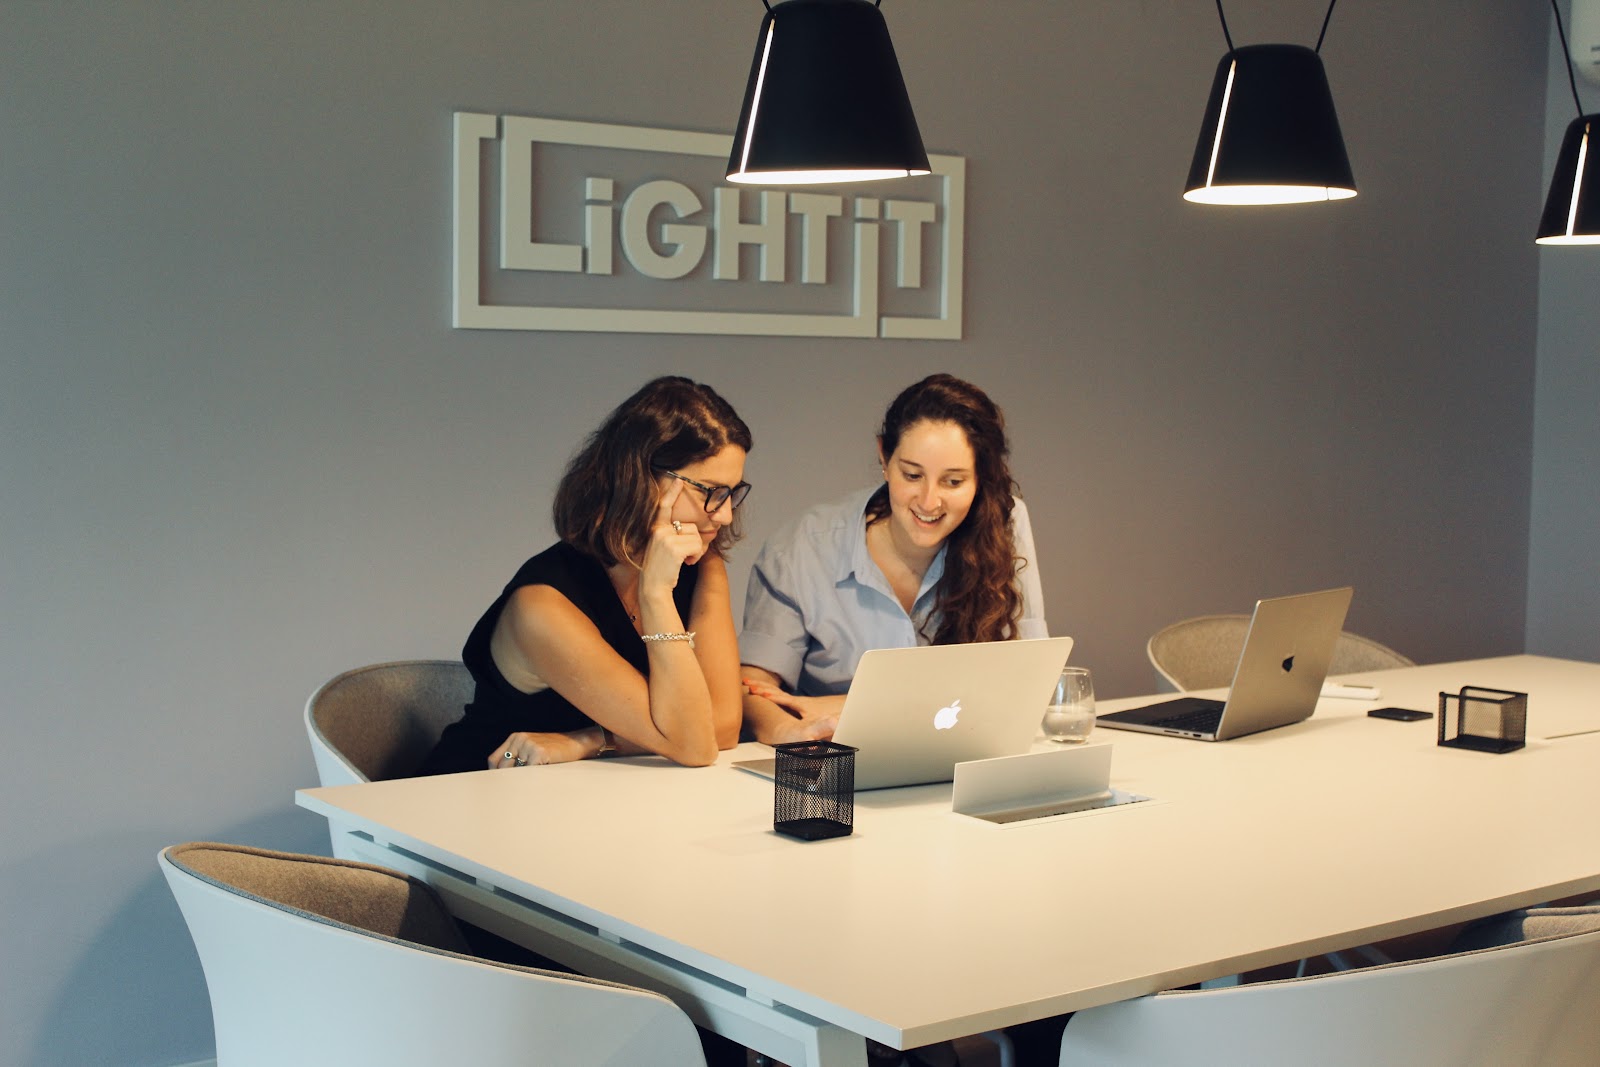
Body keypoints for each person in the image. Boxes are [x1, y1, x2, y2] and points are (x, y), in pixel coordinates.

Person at [420, 376, 751, 776]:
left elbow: (723, 729)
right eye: (711, 492)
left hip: (593, 797)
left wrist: (590, 741)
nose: (726, 514)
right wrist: (657, 595)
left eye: (733, 493)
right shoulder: (542, 606)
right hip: (478, 794)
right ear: (643, 480)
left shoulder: (703, 564)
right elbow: (694, 744)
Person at [739, 372, 1048, 745]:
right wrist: (792, 727)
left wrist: (836, 703)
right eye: (912, 474)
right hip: (834, 760)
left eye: (953, 482)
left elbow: (1029, 684)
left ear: (982, 478)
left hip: (962, 754)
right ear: (884, 458)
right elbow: (753, 693)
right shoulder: (801, 549)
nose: (929, 501)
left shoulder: (1005, 522)